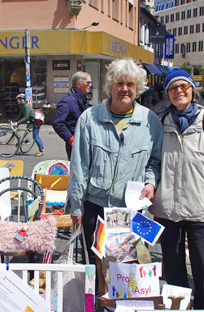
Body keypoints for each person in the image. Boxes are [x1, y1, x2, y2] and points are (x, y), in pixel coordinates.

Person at [150, 68, 204, 310]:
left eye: (183, 86)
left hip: (201, 212)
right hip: (168, 212)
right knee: (173, 272)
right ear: (168, 94)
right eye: (173, 88)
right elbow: (154, 162)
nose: (179, 91)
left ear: (192, 90)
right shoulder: (161, 124)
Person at [68, 58, 163, 261]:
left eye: (130, 84)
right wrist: (76, 206)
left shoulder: (150, 122)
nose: (125, 89)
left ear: (137, 88)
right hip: (96, 208)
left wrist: (150, 182)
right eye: (120, 83)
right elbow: (79, 167)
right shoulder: (89, 119)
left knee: (126, 269)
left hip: (131, 210)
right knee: (95, 265)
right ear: (110, 87)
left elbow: (154, 162)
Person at [52, 71, 91, 158]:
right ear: (78, 84)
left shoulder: (83, 100)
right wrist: (71, 139)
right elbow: (57, 123)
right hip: (75, 144)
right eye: (88, 83)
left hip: (86, 141)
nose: (90, 85)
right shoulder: (67, 101)